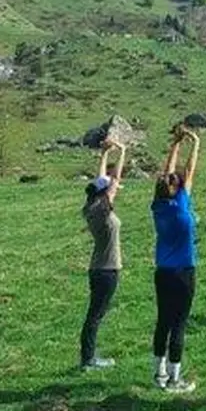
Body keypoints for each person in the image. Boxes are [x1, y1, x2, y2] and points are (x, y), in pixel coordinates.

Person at [150, 125, 201, 393]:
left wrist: (175, 144)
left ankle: (158, 373)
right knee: (179, 325)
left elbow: (165, 176)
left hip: (162, 272)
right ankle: (174, 379)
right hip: (184, 272)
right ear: (177, 189)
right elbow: (188, 171)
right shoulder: (182, 205)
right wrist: (195, 144)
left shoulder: (157, 207)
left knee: (163, 321)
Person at [79, 139, 127, 371]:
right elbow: (113, 181)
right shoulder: (103, 209)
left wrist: (104, 154)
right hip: (107, 270)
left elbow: (104, 181)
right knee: (95, 316)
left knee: (94, 315)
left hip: (98, 268)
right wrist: (123, 151)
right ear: (105, 193)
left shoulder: (92, 207)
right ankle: (88, 360)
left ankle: (88, 357)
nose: (116, 189)